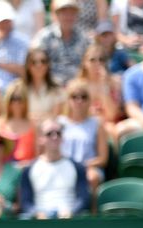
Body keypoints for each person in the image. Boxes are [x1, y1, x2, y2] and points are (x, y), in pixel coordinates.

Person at [19, 118, 90, 218]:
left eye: (58, 133)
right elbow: (25, 202)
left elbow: (83, 199)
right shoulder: (29, 169)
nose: (54, 137)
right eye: (49, 134)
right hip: (40, 224)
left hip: (69, 222)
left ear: (62, 137)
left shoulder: (77, 167)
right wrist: (36, 213)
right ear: (41, 139)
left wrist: (72, 211)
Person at [58, 79, 108, 209]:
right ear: (68, 100)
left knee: (93, 177)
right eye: (74, 96)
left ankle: (93, 214)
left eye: (83, 97)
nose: (79, 100)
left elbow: (103, 158)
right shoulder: (60, 123)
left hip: (88, 166)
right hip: (63, 166)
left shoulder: (97, 123)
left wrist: (82, 166)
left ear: (89, 100)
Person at [31, 0, 90, 85]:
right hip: (51, 87)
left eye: (72, 13)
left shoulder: (84, 38)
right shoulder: (44, 37)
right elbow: (33, 61)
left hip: (78, 90)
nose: (69, 17)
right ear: (56, 15)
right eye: (64, 13)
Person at [76, 42, 124, 139]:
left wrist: (104, 87)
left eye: (101, 60)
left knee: (110, 130)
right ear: (85, 63)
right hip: (84, 123)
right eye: (92, 60)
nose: (97, 64)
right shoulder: (77, 86)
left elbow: (111, 115)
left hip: (109, 124)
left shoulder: (115, 83)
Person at [10, 48, 65, 122]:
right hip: (24, 129)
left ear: (48, 64)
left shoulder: (56, 87)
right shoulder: (17, 87)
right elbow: (14, 113)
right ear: (28, 66)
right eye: (34, 62)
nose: (39, 65)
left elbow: (56, 115)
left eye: (43, 61)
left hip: (48, 129)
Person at [0, 82, 37, 164]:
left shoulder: (33, 124)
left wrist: (26, 164)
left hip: (27, 168)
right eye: (12, 98)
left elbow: (38, 154)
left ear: (25, 101)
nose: (16, 102)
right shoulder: (0, 124)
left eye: (19, 99)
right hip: (6, 168)